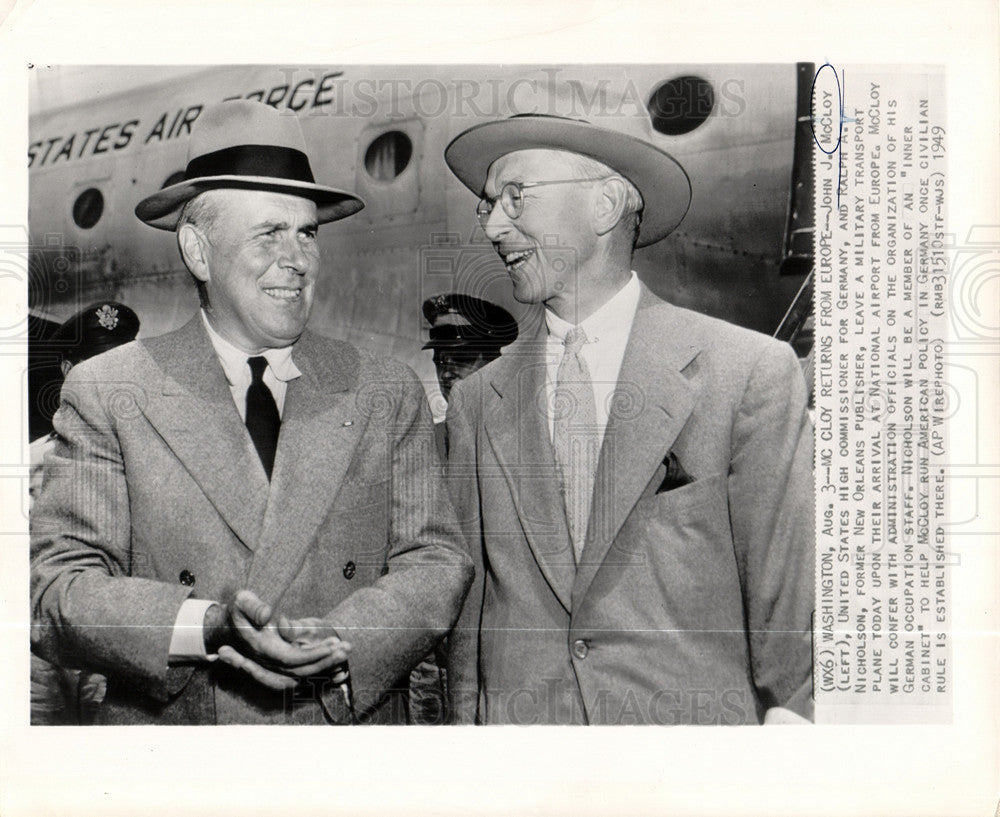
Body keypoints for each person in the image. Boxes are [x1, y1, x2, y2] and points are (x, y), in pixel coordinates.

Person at [30, 100, 473, 725]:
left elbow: (436, 559)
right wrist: (207, 626)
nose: (297, 258)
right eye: (270, 232)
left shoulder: (384, 389)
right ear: (199, 251)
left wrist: (343, 641)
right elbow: (59, 590)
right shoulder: (110, 392)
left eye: (307, 232)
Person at [443, 109, 815, 725]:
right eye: (489, 206)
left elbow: (787, 615)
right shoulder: (477, 403)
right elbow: (470, 624)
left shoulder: (748, 374)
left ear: (605, 205)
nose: (494, 226)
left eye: (515, 197)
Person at [408, 293, 517, 722]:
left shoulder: (526, 445)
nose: (447, 371)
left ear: (493, 362)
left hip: (501, 649)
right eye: (440, 360)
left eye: (462, 358)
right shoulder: (418, 443)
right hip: (431, 661)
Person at [29, 301, 139, 724]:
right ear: (66, 369)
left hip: (114, 644)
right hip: (41, 651)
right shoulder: (28, 463)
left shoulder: (153, 465)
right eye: (94, 366)